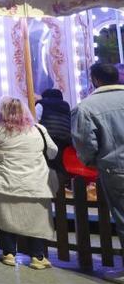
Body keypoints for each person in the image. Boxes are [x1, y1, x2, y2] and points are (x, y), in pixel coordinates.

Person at [0, 97, 57, 269]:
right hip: (35, 181)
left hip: (5, 181)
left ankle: (8, 253)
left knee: (5, 217)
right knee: (36, 220)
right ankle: (37, 257)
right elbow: (52, 151)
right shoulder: (38, 129)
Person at [73, 61, 124, 272]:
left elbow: (85, 143)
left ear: (95, 80)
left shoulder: (86, 107)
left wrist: (93, 161)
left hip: (116, 168)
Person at [36, 88, 72, 161]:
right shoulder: (66, 106)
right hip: (65, 139)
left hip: (47, 138)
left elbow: (35, 121)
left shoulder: (41, 104)